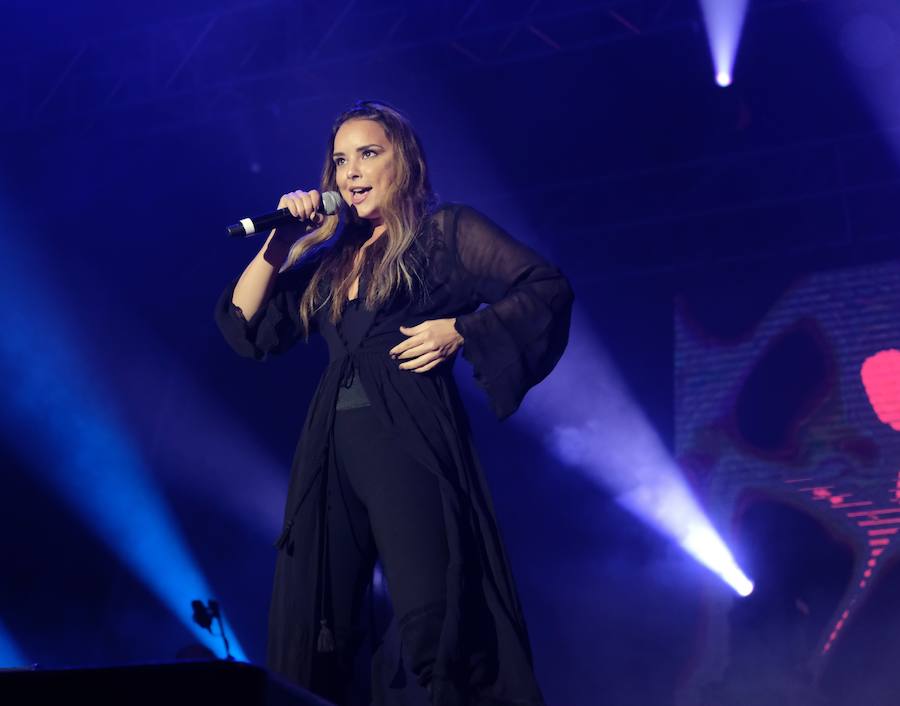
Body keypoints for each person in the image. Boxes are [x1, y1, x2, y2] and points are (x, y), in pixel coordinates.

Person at [215, 101, 574, 706]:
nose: (351, 172)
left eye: (368, 154)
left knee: (432, 613)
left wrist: (461, 329)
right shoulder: (332, 258)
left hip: (407, 438)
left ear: (403, 161)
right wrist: (281, 241)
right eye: (340, 160)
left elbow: (544, 288)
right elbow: (243, 327)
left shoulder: (445, 233)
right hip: (330, 452)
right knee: (316, 619)